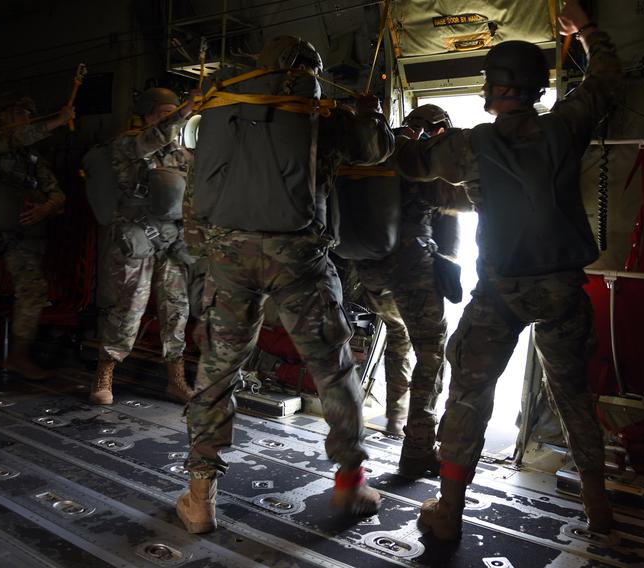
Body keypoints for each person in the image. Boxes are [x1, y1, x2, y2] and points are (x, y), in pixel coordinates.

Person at [394, 1, 621, 540]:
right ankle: (598, 505)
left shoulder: (469, 144)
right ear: (539, 88)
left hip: (500, 291)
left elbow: (411, 163)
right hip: (564, 288)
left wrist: (399, 135)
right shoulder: (566, 126)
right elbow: (607, 79)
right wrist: (584, 29)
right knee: (572, 395)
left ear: (492, 88)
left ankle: (448, 510)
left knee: (470, 394)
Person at [176, 35, 394, 534]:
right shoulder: (321, 112)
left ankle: (199, 498)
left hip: (228, 256)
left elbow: (198, 189)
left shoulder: (221, 108)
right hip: (298, 257)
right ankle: (350, 482)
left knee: (216, 371)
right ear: (309, 70)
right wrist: (369, 113)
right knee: (333, 369)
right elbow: (378, 151)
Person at [353, 104, 468, 478]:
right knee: (432, 351)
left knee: (398, 334)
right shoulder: (420, 161)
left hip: (370, 273)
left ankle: (394, 416)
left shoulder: (381, 151)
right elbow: (454, 204)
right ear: (437, 131)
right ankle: (418, 447)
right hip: (410, 271)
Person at [0, 92, 74, 383]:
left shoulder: (30, 158)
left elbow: (58, 194)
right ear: (2, 115)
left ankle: (18, 355)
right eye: (19, 112)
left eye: (29, 113)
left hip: (16, 232)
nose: (26, 118)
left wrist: (46, 207)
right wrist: (56, 122)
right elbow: (10, 139)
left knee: (33, 289)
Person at [89, 87, 198, 406]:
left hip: (172, 237)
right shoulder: (129, 143)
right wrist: (186, 109)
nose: (173, 120)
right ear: (147, 115)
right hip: (136, 232)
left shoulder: (180, 153)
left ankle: (176, 380)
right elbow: (152, 139)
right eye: (165, 113)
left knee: (177, 308)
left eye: (173, 112)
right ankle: (104, 375)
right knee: (129, 307)